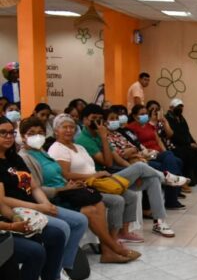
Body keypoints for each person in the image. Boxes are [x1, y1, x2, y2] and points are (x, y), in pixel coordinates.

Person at [18, 118, 140, 264]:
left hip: (68, 189)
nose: (37, 136)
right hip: (52, 196)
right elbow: (34, 188)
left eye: (40, 133)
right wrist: (62, 188)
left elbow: (59, 174)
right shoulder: (24, 158)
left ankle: (107, 253)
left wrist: (69, 184)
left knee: (98, 203)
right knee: (89, 210)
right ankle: (115, 247)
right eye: (31, 133)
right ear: (22, 136)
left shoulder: (42, 151)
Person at [0, 115, 82, 280]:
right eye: (2, 133)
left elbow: (33, 186)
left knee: (57, 234)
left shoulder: (14, 158)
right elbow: (3, 200)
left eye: (10, 133)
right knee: (54, 233)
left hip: (32, 207)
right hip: (14, 212)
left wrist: (45, 203)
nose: (7, 137)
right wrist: (39, 208)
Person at [71, 104, 181, 237]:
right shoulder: (84, 139)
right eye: (94, 119)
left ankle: (159, 222)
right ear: (84, 120)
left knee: (151, 178)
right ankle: (167, 178)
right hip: (100, 179)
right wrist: (105, 138)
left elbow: (117, 159)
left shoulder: (100, 134)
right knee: (141, 167)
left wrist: (136, 173)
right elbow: (108, 162)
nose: (97, 122)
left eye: (100, 119)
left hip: (113, 174)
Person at [48, 113, 144, 244]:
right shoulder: (57, 149)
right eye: (65, 127)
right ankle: (112, 239)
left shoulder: (79, 147)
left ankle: (124, 232)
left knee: (131, 195)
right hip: (82, 186)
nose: (69, 130)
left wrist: (104, 138)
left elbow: (108, 162)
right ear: (56, 131)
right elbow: (65, 174)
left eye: (71, 127)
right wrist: (93, 176)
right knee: (117, 200)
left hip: (97, 181)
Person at [125, 104, 186, 209]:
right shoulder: (131, 128)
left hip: (157, 153)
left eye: (146, 114)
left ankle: (172, 190)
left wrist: (166, 153)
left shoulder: (150, 126)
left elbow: (158, 141)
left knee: (174, 158)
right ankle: (172, 198)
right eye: (142, 114)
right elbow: (136, 146)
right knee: (173, 162)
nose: (145, 116)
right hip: (147, 155)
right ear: (135, 116)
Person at [164, 98, 197, 185]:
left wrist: (194, 142)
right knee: (191, 152)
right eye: (178, 107)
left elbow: (187, 132)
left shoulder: (181, 118)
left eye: (181, 107)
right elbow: (174, 136)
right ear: (171, 107)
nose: (180, 109)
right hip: (176, 145)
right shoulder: (168, 119)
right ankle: (189, 177)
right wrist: (189, 144)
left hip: (186, 143)